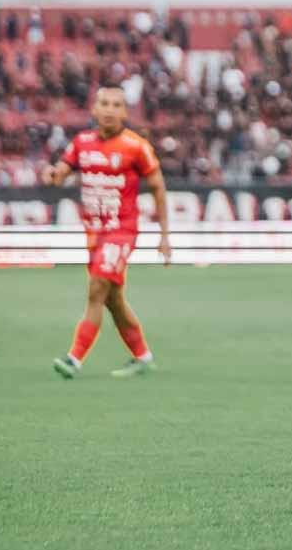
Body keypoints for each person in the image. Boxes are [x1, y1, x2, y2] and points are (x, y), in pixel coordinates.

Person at [43, 87, 171, 379]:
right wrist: (51, 175)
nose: (110, 110)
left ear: (124, 112)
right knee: (113, 299)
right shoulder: (82, 143)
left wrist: (164, 236)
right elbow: (60, 173)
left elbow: (158, 187)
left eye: (116, 105)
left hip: (122, 231)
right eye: (104, 103)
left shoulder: (136, 146)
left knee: (97, 287)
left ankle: (74, 359)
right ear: (94, 109)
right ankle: (143, 356)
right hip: (95, 233)